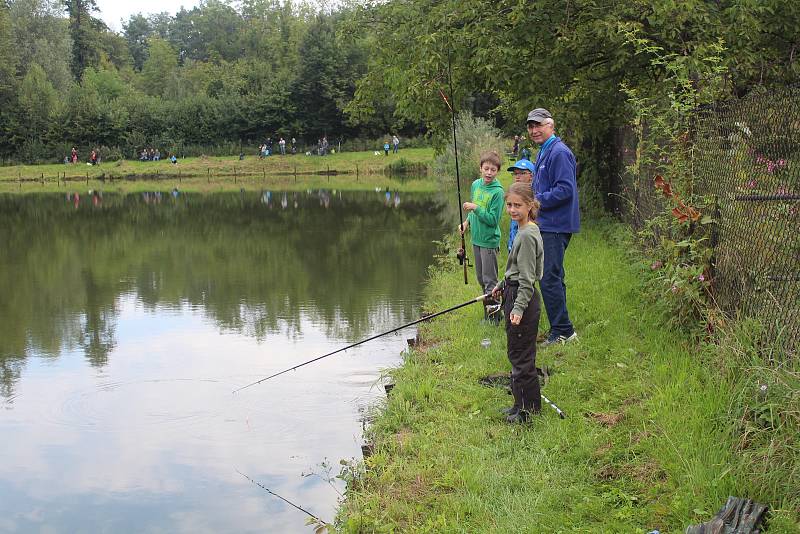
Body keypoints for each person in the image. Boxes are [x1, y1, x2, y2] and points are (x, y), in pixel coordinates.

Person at [526, 107, 580, 346]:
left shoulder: (559, 152)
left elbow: (566, 189)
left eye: (539, 125)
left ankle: (564, 332)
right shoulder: (544, 151)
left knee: (548, 277)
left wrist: (536, 202)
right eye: (531, 126)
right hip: (546, 224)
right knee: (553, 276)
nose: (534, 130)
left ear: (551, 125)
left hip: (556, 226)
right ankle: (560, 328)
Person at [491, 182, 544, 423]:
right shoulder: (523, 230)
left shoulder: (528, 235)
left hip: (522, 298)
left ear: (530, 206)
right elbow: (514, 269)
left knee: (522, 356)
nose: (512, 210)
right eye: (509, 205)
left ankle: (528, 410)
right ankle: (518, 404)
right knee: (516, 352)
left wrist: (518, 308)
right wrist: (501, 284)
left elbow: (527, 277)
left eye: (518, 205)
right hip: (513, 292)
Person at [458, 150, 505, 321]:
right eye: (486, 169)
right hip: (476, 239)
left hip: (489, 241)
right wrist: (466, 223)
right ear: (480, 168)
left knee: (490, 281)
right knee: (481, 279)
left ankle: (495, 318)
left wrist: (475, 208)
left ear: (497, 171)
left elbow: (493, 220)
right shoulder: (476, 185)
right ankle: (489, 313)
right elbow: (473, 211)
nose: (489, 173)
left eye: (493, 170)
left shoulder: (498, 192)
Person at [505, 159, 536, 252]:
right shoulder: (514, 194)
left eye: (522, 173)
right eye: (515, 173)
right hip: (514, 244)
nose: (517, 177)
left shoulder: (534, 196)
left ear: (531, 175)